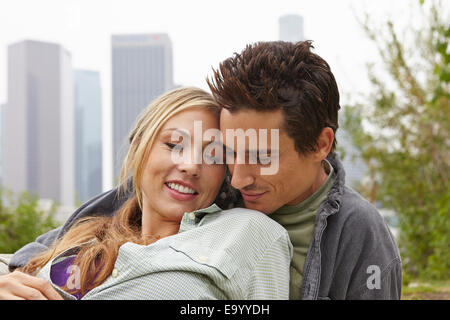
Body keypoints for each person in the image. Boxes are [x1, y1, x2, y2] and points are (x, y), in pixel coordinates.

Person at [9, 40, 402, 300]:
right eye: (229, 152)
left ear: (320, 145)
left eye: (261, 156)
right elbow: (37, 254)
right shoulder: (205, 187)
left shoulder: (358, 233)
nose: (240, 176)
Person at [0, 87, 292, 300]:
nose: (191, 166)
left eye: (213, 154)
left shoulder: (248, 233)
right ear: (139, 147)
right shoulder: (83, 238)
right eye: (174, 144)